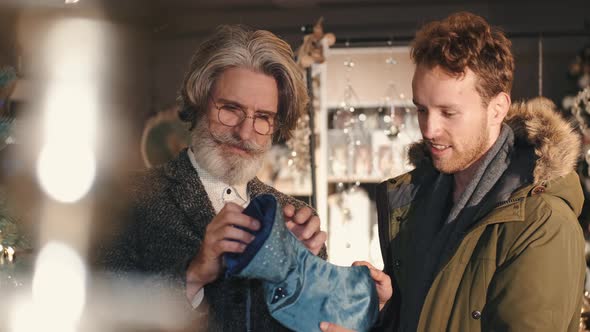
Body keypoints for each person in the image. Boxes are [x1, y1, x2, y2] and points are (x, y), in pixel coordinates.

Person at [321, 11, 585, 332]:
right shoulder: (417, 202)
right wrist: (388, 311)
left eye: (449, 112)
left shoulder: (542, 223)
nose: (429, 129)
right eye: (421, 109)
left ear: (497, 109)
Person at [103, 25, 327, 331]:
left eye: (263, 118)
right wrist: (194, 274)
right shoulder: (129, 200)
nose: (245, 133)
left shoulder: (297, 220)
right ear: (199, 101)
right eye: (230, 109)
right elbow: (105, 317)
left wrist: (303, 273)